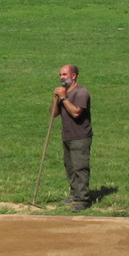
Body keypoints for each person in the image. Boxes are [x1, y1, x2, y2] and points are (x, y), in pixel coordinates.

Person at [53, 64, 93, 212]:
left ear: (74, 76)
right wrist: (56, 98)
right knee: (69, 167)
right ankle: (74, 195)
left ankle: (83, 200)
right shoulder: (63, 93)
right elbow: (54, 114)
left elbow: (76, 112)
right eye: (60, 75)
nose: (61, 78)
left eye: (64, 75)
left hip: (80, 136)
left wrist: (63, 97)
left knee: (80, 167)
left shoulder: (81, 92)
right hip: (67, 136)